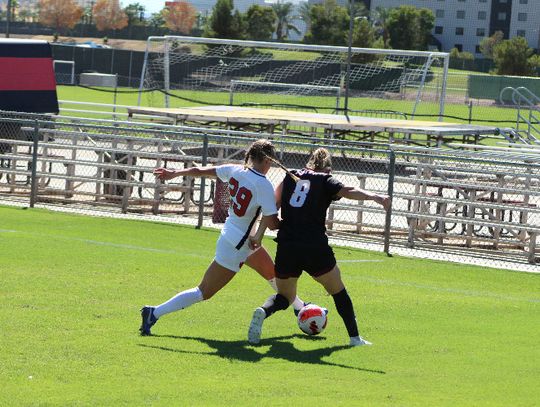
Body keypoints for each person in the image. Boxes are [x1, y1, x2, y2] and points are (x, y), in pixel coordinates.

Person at [140, 139, 306, 335]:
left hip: (242, 239)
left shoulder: (235, 170)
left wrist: (174, 173)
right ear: (268, 161)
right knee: (203, 292)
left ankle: (301, 308)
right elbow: (271, 223)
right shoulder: (262, 184)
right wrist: (295, 223)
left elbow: (201, 171)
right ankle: (154, 313)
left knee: (271, 273)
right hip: (237, 245)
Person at [247, 148, 391, 346]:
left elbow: (272, 206)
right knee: (338, 292)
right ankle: (355, 338)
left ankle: (263, 311)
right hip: (315, 247)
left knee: (285, 297)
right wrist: (375, 196)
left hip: (287, 245)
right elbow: (348, 191)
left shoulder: (291, 176)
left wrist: (261, 233)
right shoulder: (325, 180)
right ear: (328, 169)